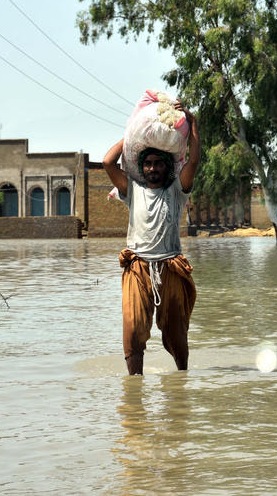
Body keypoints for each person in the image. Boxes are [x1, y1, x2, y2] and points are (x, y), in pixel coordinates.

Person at [103, 103, 201, 375]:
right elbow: (107, 162)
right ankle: (135, 387)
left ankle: (182, 378)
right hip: (138, 266)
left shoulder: (177, 190)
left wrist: (192, 123)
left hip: (170, 266)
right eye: (147, 163)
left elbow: (193, 160)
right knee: (133, 329)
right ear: (142, 168)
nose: (152, 168)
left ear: (166, 166)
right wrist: (134, 135)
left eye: (158, 163)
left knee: (176, 333)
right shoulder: (132, 190)